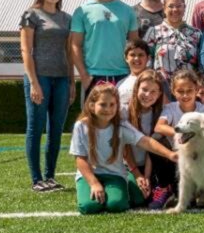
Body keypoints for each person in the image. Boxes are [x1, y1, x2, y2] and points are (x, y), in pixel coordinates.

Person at [70, 83, 177, 215]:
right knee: (89, 207)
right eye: (103, 104)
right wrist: (94, 183)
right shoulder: (81, 126)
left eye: (112, 105)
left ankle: (120, 190)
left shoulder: (121, 126)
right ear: (92, 106)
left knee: (116, 205)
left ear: (117, 106)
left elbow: (146, 141)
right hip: (89, 175)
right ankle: (96, 190)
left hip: (114, 174)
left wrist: (170, 154)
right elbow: (80, 159)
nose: (108, 109)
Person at [19, 0, 75, 192]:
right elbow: (26, 50)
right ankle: (36, 179)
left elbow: (69, 52)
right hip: (39, 77)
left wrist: (71, 81)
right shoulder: (31, 15)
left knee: (56, 130)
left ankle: (50, 177)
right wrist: (33, 82)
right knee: (36, 127)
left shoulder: (66, 18)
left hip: (61, 78)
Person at [151, 69, 204, 209]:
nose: (185, 95)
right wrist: (181, 135)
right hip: (178, 158)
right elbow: (159, 127)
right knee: (156, 140)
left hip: (200, 157)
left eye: (189, 90)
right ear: (173, 91)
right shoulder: (170, 108)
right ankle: (167, 187)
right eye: (180, 91)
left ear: (196, 89)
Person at [70, 0, 139, 97]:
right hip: (93, 76)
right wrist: (84, 76)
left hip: (123, 75)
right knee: (92, 118)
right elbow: (75, 45)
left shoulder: (128, 11)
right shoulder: (82, 11)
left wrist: (134, 74)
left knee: (123, 118)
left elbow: (135, 45)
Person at [123, 70, 167, 207]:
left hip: (149, 166)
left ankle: (163, 187)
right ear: (136, 89)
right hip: (129, 166)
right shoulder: (124, 111)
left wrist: (146, 176)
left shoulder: (159, 113)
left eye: (154, 91)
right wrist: (137, 174)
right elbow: (126, 147)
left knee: (146, 197)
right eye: (144, 89)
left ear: (160, 94)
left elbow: (151, 147)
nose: (148, 95)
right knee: (138, 199)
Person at [143, 0, 202, 87]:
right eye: (170, 6)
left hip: (188, 89)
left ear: (184, 8)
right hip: (162, 88)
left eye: (179, 6)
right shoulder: (153, 32)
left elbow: (201, 64)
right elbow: (146, 61)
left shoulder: (196, 34)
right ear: (164, 9)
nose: (175, 9)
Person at [117, 39, 151, 113]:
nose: (136, 58)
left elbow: (164, 105)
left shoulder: (156, 79)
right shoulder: (120, 83)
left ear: (148, 58)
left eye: (141, 55)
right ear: (126, 58)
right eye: (132, 55)